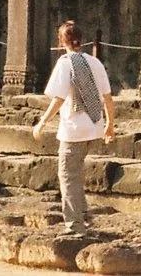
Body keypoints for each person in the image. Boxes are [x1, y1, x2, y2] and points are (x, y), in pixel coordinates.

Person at [31, 19, 115, 233]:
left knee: (67, 175)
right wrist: (109, 125)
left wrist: (42, 122)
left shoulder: (65, 63)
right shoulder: (95, 62)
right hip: (94, 125)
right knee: (75, 173)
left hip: (74, 128)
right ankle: (83, 214)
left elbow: (58, 99)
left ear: (61, 42)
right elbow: (107, 97)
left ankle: (74, 223)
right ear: (82, 40)